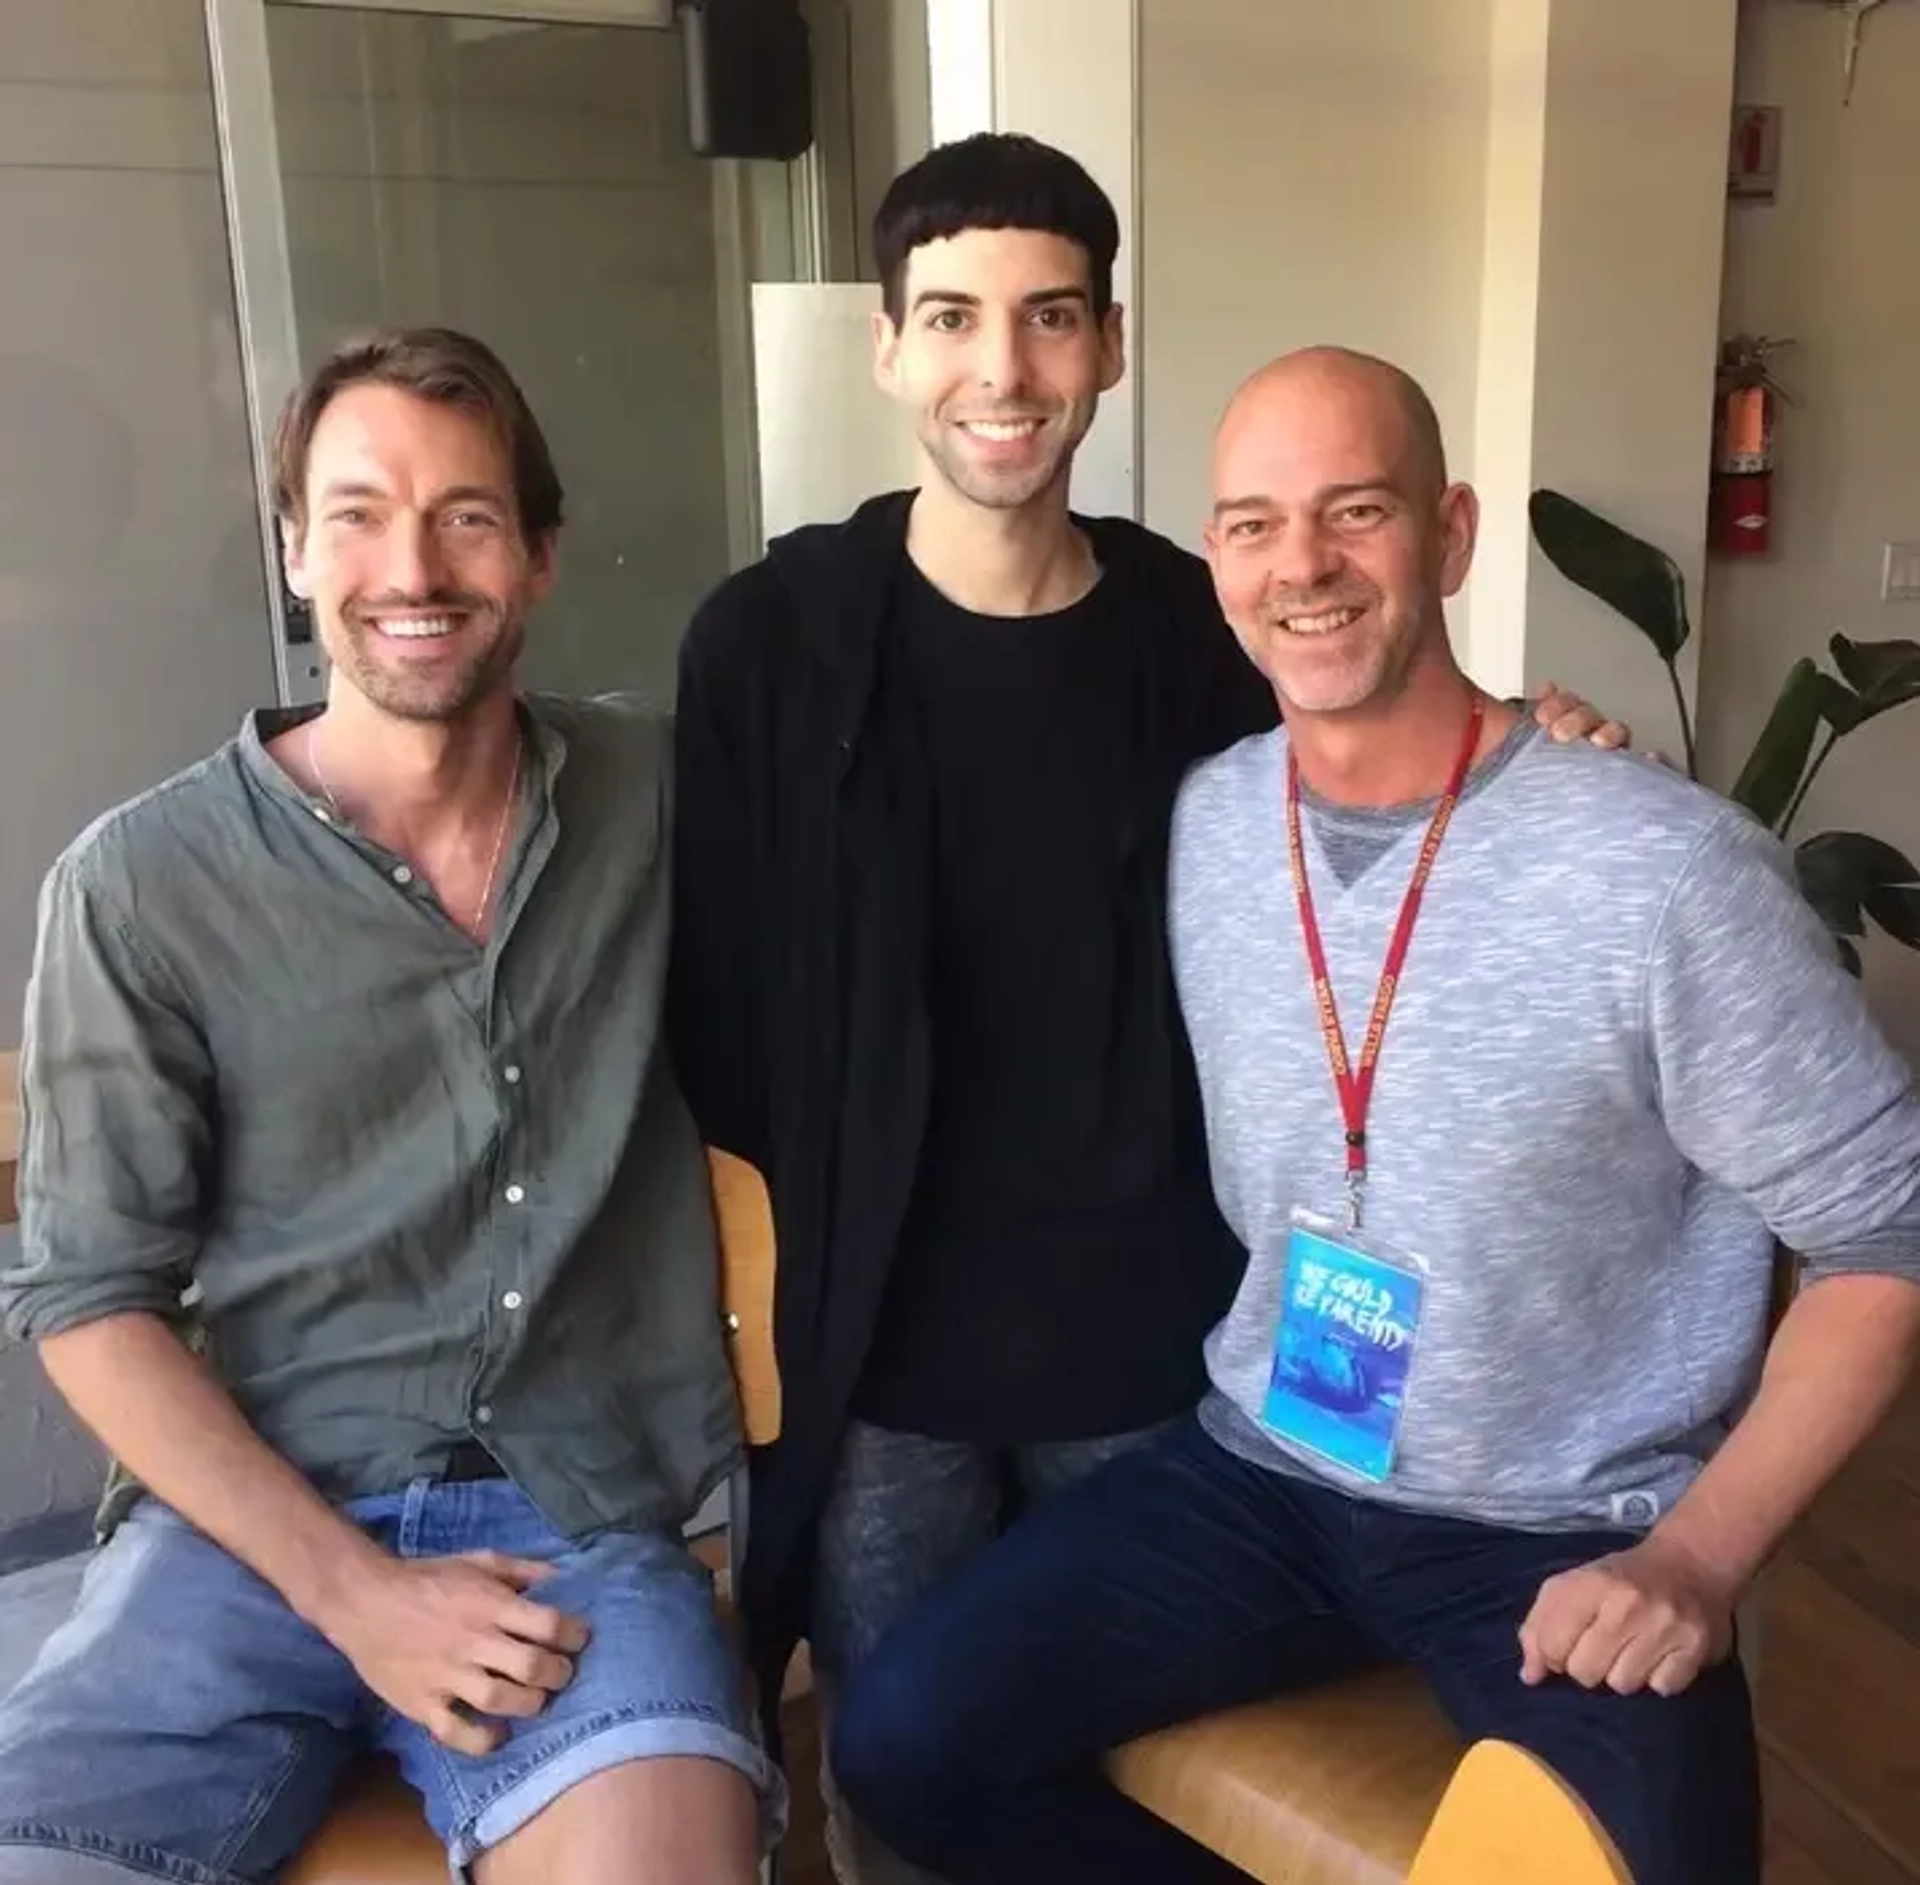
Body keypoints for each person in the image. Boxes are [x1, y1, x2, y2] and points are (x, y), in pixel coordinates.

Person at [823, 346, 1920, 1885]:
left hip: (1563, 1520)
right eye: (1257, 525)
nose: (1305, 567)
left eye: (1357, 512)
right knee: (905, 1740)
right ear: (1218, 564)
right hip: (1268, 1468)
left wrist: (1696, 1557)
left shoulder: (1657, 872)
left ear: (1452, 535)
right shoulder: (1207, 824)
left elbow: (1888, 1235)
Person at [668, 135, 1623, 1883]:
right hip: (885, 1360)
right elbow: (715, 1014)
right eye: (951, 318)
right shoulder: (770, 642)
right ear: (888, 347)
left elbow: (1383, 760)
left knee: (1124, 1766)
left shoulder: (1206, 625)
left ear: (1109, 346)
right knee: (904, 1775)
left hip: (1168, 1343)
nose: (1000, 370)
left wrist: (1531, 742)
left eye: (1047, 319)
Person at [0, 328, 780, 1885]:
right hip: (243, 1531)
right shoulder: (140, 886)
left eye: (468, 516)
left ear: (541, 556)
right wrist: (360, 1595)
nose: (410, 567)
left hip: (579, 1519)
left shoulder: (666, 795)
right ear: (295, 549)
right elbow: (90, 1297)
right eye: (356, 513)